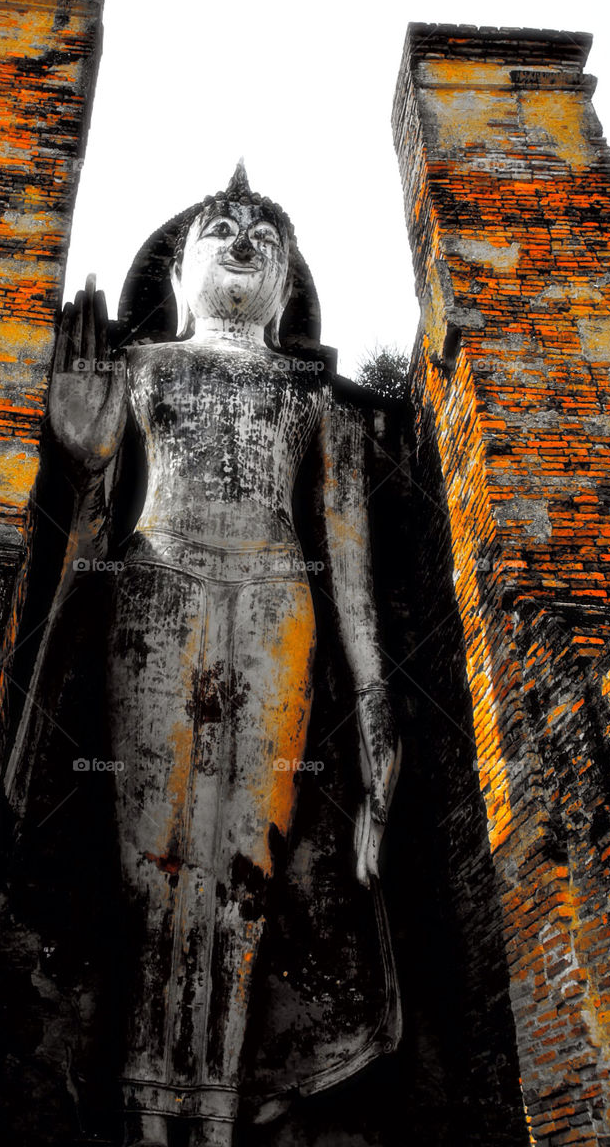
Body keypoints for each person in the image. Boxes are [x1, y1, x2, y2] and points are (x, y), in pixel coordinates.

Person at [47, 165, 400, 1147]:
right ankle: (142, 1107)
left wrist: (377, 714)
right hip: (155, 590)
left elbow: (353, 573)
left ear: (285, 285)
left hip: (280, 605)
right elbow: (87, 536)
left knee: (248, 864)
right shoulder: (145, 367)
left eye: (264, 236)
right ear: (179, 269)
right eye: (220, 228)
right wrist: (81, 459)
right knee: (149, 862)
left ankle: (220, 1112)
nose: (242, 241)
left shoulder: (314, 396)